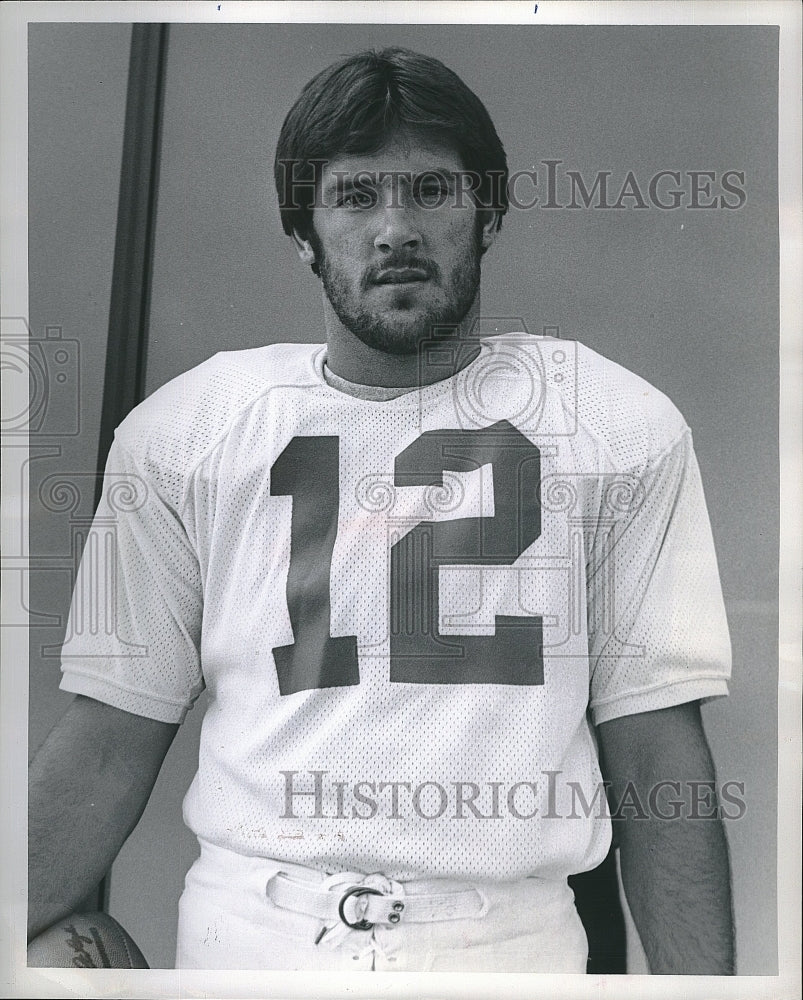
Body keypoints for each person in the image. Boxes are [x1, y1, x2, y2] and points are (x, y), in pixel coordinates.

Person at [28, 47, 734, 974]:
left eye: (432, 190)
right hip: (252, 933)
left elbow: (654, 755)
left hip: (506, 944)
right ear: (304, 235)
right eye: (356, 196)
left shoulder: (612, 423)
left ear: (486, 215)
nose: (396, 228)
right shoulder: (189, 432)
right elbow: (109, 734)